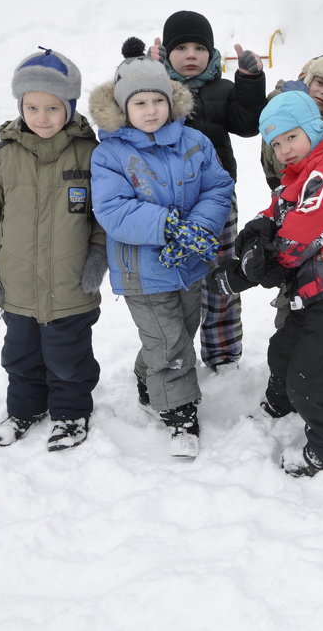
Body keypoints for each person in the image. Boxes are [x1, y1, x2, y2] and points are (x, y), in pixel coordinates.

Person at [207, 90, 323, 477]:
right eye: (276, 142)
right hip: (314, 292)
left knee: (311, 382)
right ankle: (280, 403)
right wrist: (251, 241)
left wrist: (244, 274)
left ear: (316, 130)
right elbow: (268, 220)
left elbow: (296, 237)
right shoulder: (294, 182)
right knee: (283, 353)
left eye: (292, 137)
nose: (284, 149)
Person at [90, 38, 234, 458]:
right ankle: (179, 415)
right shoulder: (110, 154)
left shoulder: (194, 141)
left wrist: (198, 227)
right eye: (140, 103)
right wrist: (168, 226)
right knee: (170, 343)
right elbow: (113, 209)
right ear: (123, 109)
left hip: (189, 263)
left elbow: (217, 186)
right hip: (143, 269)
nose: (151, 110)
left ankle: (147, 373)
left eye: (158, 100)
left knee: (179, 332)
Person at [0, 48, 106, 451]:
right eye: (32, 107)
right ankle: (25, 409)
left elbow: (103, 216)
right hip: (18, 290)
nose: (41, 117)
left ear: (70, 108)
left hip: (71, 287)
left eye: (52, 107)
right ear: (20, 107)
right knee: (20, 357)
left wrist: (97, 256)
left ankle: (71, 413)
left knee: (70, 360)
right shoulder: (2, 160)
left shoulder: (91, 155)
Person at [150, 10, 268, 373]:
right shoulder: (154, 92)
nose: (190, 55)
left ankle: (223, 355)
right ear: (166, 53)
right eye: (181, 47)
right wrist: (146, 73)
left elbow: (248, 124)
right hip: (169, 202)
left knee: (220, 276)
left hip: (217, 201)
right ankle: (174, 354)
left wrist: (249, 80)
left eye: (199, 47)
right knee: (175, 282)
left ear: (211, 52)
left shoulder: (222, 89)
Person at [259, 54, 323, 190]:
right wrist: (252, 79)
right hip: (280, 191)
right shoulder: (279, 108)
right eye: (320, 83)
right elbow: (253, 110)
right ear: (308, 81)